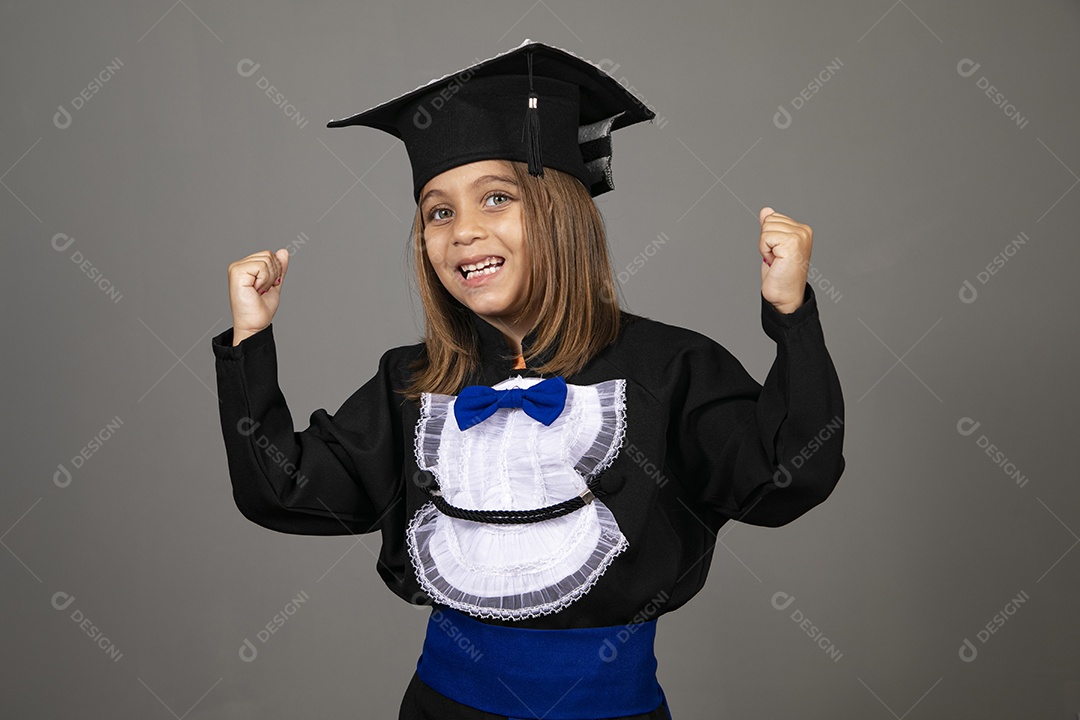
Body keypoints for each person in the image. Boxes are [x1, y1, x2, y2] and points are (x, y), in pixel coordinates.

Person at [211, 39, 846, 720]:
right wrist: (250, 342)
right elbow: (282, 490)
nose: (463, 232)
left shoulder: (671, 368)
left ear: (561, 209)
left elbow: (788, 476)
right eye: (439, 211)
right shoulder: (413, 380)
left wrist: (791, 317)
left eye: (495, 198)